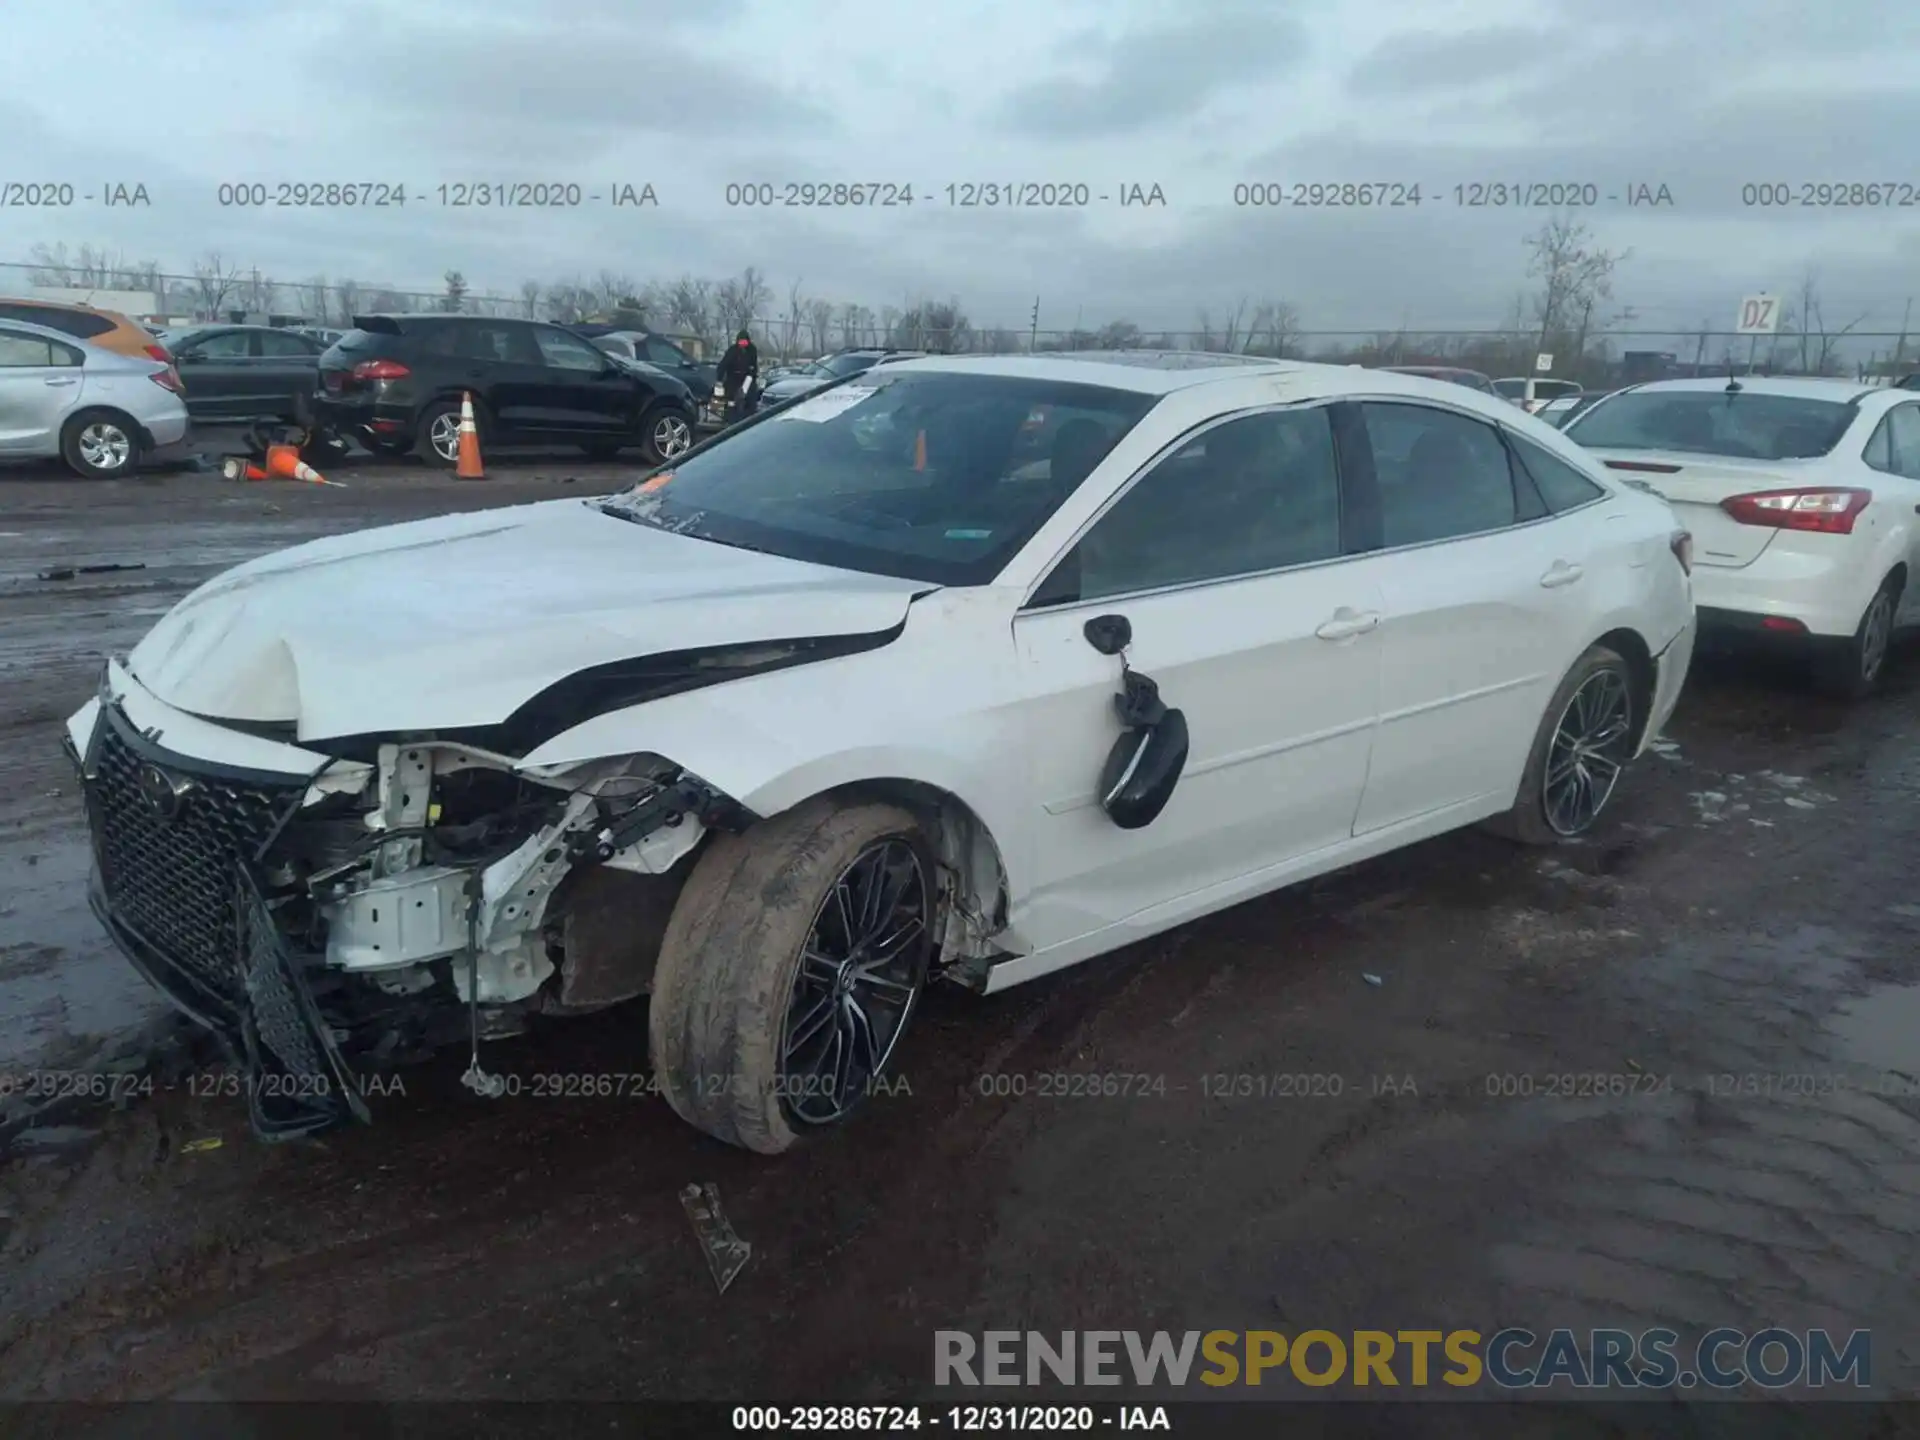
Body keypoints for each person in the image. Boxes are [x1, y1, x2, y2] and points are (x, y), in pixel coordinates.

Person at [716, 329, 759, 418]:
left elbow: (754, 365)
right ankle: (730, 417)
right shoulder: (732, 350)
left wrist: (752, 375)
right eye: (741, 342)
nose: (743, 344)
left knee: (749, 401)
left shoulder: (752, 349)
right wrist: (719, 379)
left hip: (747, 378)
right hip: (733, 379)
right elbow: (723, 364)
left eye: (745, 342)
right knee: (731, 401)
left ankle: (749, 417)